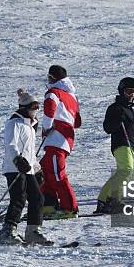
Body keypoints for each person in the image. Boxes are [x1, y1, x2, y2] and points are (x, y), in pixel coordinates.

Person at [0, 89, 53, 245]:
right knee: (19, 198)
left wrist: (36, 168)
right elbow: (10, 144)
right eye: (32, 107)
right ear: (24, 107)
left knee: (37, 198)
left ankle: (33, 231)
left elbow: (29, 151)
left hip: (27, 168)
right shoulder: (14, 122)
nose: (36, 110)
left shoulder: (29, 125)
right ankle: (7, 231)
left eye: (37, 107)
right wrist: (17, 159)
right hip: (14, 168)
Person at [95, 78, 134, 214]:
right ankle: (104, 200)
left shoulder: (131, 112)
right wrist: (117, 120)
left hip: (129, 145)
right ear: (121, 91)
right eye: (128, 92)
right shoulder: (115, 108)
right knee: (126, 170)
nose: (132, 95)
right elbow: (108, 128)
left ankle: (115, 200)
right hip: (120, 143)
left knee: (124, 173)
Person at [40, 65, 82, 218]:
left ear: (53, 78)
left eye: (49, 77)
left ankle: (70, 208)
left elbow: (49, 108)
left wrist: (46, 127)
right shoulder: (72, 96)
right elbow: (77, 122)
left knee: (58, 174)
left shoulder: (53, 93)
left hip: (57, 139)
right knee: (46, 169)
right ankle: (48, 205)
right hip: (64, 139)